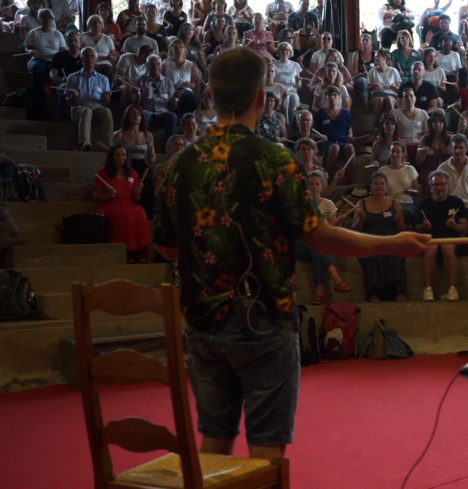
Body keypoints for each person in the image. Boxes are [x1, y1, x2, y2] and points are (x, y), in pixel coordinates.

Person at [153, 47, 428, 461]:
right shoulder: (274, 160)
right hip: (262, 320)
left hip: (203, 322)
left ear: (209, 95)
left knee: (214, 444)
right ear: (262, 98)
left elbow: (167, 246)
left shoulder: (178, 166)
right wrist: (391, 243)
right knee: (266, 451)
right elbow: (319, 237)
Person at [296, 169, 354, 305]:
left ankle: (319, 292)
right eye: (311, 184)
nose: (315, 187)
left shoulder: (328, 204)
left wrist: (338, 223)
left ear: (322, 186)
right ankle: (337, 279)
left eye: (317, 184)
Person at [352, 172, 411, 302]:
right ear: (371, 186)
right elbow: (354, 231)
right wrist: (361, 220)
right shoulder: (361, 204)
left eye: (382, 184)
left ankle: (400, 291)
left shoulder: (395, 203)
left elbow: (403, 229)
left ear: (386, 187)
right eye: (376, 184)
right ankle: (373, 293)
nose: (379, 186)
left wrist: (399, 220)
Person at [415, 170, 468, 302]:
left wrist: (454, 226)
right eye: (435, 185)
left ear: (448, 185)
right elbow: (415, 228)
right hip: (430, 239)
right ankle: (428, 289)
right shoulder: (424, 203)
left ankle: (452, 289)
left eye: (442, 184)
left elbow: (465, 229)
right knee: (431, 249)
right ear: (430, 187)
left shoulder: (457, 202)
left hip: (451, 239)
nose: (438, 187)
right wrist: (423, 227)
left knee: (447, 247)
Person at [95, 143, 151, 263]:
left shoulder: (133, 173)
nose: (121, 158)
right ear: (111, 156)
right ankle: (128, 251)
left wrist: (136, 193)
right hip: (110, 204)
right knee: (124, 214)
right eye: (117, 155)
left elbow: (136, 199)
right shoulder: (103, 173)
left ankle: (139, 250)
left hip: (130, 203)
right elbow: (96, 195)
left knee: (140, 212)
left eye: (123, 155)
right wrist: (108, 195)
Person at [113, 104, 157, 219]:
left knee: (149, 181)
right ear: (127, 116)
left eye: (138, 114)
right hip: (126, 166)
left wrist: (152, 155)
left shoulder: (148, 135)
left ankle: (148, 214)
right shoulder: (119, 134)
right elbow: (113, 154)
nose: (136, 116)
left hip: (142, 165)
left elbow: (151, 159)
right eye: (132, 113)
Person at [66, 47, 112, 153]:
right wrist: (74, 96)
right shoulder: (72, 77)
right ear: (81, 59)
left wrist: (106, 98)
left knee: (107, 111)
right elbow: (68, 102)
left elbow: (106, 104)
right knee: (86, 111)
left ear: (96, 59)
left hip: (96, 109)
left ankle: (108, 143)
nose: (89, 59)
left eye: (92, 56)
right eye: (86, 56)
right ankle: (84, 143)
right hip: (79, 109)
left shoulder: (103, 79)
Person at [314, 85, 355, 181]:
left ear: (339, 97)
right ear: (326, 97)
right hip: (328, 143)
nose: (332, 97)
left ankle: (350, 180)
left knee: (350, 147)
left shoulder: (346, 113)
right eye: (330, 95)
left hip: (342, 141)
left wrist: (350, 136)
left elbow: (350, 133)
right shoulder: (321, 113)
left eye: (335, 95)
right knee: (334, 148)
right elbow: (315, 132)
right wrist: (321, 136)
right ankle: (326, 178)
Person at [133, 54, 179, 139]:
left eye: (158, 64)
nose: (155, 67)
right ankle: (144, 144)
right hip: (148, 113)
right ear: (147, 66)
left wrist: (174, 98)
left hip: (163, 114)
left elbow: (173, 108)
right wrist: (138, 95)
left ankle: (169, 146)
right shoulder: (141, 81)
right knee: (144, 114)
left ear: (161, 66)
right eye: (152, 65)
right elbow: (136, 105)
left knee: (172, 116)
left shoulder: (168, 83)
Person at [24, 8, 66, 93]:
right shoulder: (33, 32)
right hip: (38, 59)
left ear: (52, 20)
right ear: (39, 19)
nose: (47, 20)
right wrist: (30, 51)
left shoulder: (58, 34)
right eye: (44, 18)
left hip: (54, 61)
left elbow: (63, 50)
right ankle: (38, 93)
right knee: (37, 67)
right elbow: (28, 48)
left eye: (49, 18)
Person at [437, 134, 468, 205]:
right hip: (450, 205)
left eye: (461, 148)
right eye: (455, 148)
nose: (458, 151)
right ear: (450, 149)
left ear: (466, 149)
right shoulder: (442, 168)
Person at [416, 109, 454, 195]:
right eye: (435, 122)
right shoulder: (425, 138)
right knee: (430, 181)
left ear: (444, 124)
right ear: (431, 124)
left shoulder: (450, 138)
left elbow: (457, 158)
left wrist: (451, 153)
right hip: (428, 169)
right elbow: (418, 162)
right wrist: (423, 153)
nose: (438, 124)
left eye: (440, 122)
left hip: (446, 169)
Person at [379, 140, 420, 219]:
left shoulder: (410, 169)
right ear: (389, 153)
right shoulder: (382, 171)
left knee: (406, 214)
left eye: (398, 152)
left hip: (406, 203)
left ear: (403, 154)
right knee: (386, 216)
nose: (394, 154)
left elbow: (417, 190)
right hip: (389, 203)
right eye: (392, 151)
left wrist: (410, 190)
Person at [368, 48, 401, 125]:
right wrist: (373, 86)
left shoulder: (393, 71)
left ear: (384, 58)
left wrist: (394, 87)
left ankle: (393, 123)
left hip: (391, 94)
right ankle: (376, 124)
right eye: (375, 57)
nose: (375, 58)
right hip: (377, 94)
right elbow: (368, 88)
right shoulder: (372, 71)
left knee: (388, 99)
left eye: (377, 56)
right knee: (380, 99)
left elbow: (399, 88)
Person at [81, 14, 118, 80]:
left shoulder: (107, 38)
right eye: (94, 22)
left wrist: (110, 57)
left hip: (105, 64)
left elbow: (114, 56)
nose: (97, 24)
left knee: (106, 68)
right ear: (89, 24)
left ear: (102, 25)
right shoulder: (82, 37)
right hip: (89, 62)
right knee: (95, 68)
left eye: (99, 23)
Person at [350, 34, 375, 109]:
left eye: (367, 40)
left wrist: (370, 74)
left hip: (372, 77)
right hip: (360, 77)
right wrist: (362, 74)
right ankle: (365, 103)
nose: (365, 42)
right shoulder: (356, 54)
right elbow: (354, 73)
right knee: (363, 81)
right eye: (363, 40)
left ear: (371, 42)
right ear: (360, 42)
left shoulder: (375, 53)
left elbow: (378, 70)